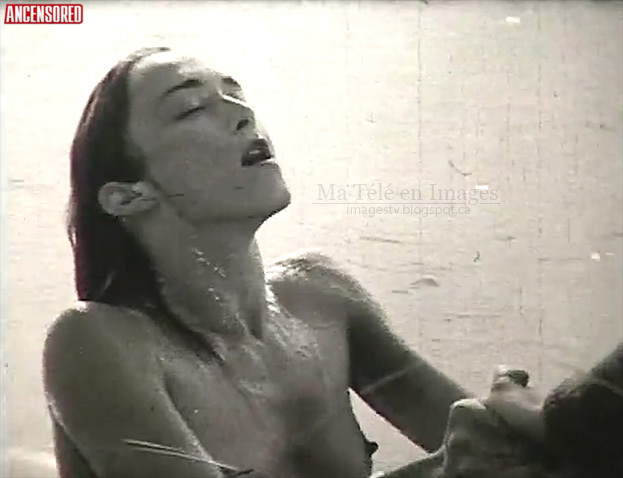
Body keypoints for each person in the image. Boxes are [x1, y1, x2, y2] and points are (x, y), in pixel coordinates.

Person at [42, 47, 547, 478]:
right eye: (192, 108)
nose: (242, 112)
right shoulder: (96, 343)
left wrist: (521, 423)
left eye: (235, 93)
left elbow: (483, 451)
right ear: (128, 196)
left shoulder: (323, 296)